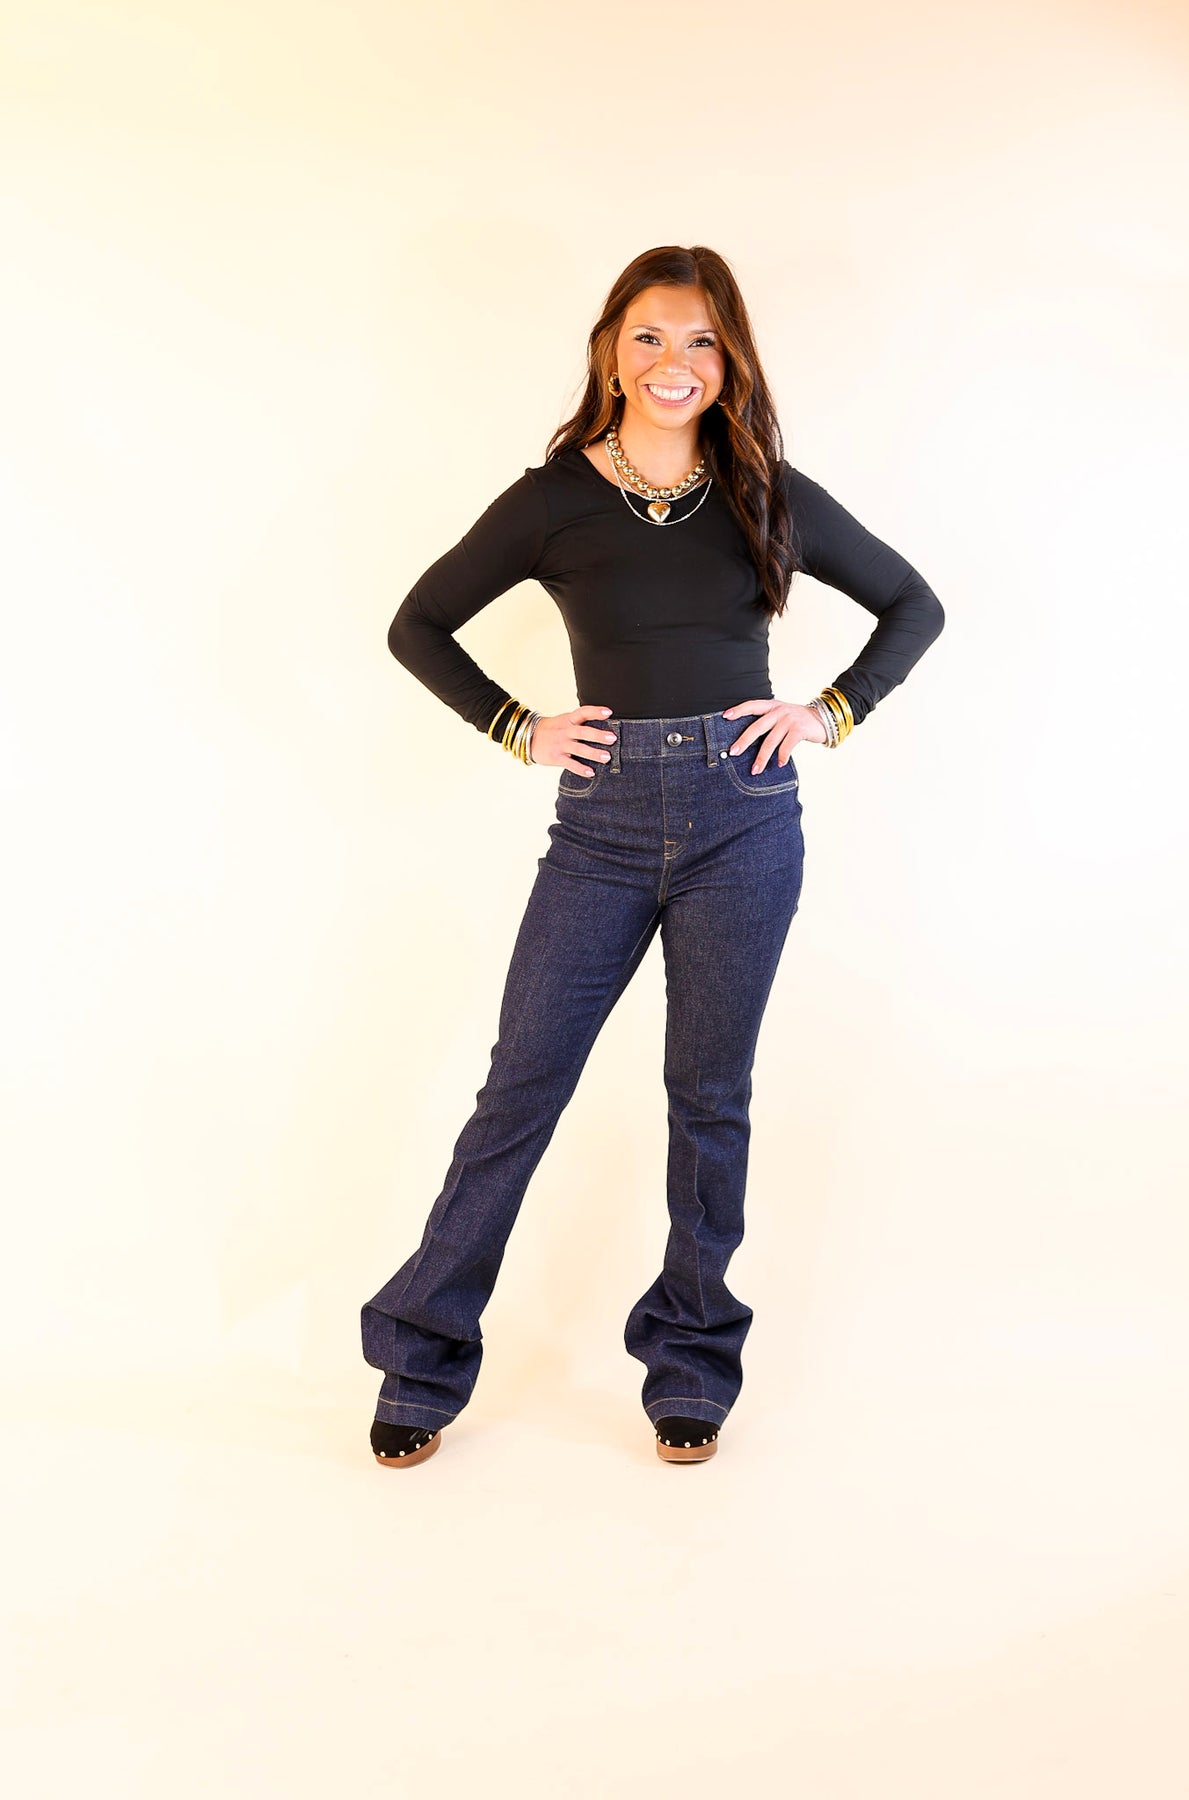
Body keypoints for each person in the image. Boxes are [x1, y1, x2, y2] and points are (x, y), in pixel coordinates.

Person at [361, 244, 945, 1469]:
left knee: (708, 1098)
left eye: (701, 340)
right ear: (610, 352)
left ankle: (690, 1368)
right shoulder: (553, 498)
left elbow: (914, 604)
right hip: (603, 827)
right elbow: (418, 623)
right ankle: (420, 1358)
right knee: (521, 1089)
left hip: (746, 817)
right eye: (650, 337)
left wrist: (827, 713)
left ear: (729, 360)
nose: (675, 362)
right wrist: (517, 726)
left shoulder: (765, 490)